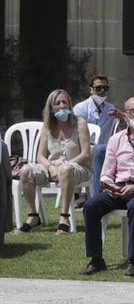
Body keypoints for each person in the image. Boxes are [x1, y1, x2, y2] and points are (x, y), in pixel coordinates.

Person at [80, 96, 134, 276]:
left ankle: (133, 260)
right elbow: (106, 172)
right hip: (119, 188)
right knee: (90, 206)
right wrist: (111, 187)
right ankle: (96, 259)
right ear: (126, 115)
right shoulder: (116, 140)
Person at [16, 89, 92, 233]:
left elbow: (86, 154)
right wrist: (50, 167)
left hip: (77, 166)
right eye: (57, 103)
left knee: (65, 169)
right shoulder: (47, 127)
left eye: (65, 102)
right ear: (51, 108)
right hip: (53, 166)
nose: (62, 106)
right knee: (25, 170)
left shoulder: (80, 123)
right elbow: (40, 156)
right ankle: (33, 217)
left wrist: (65, 165)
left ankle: (64, 217)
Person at [73, 74, 122, 197]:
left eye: (105, 88)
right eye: (98, 88)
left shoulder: (111, 109)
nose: (101, 91)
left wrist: (121, 118)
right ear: (91, 90)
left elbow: (120, 131)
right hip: (82, 149)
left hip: (103, 148)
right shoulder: (81, 108)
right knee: (96, 152)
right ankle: (97, 198)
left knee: (101, 151)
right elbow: (75, 132)